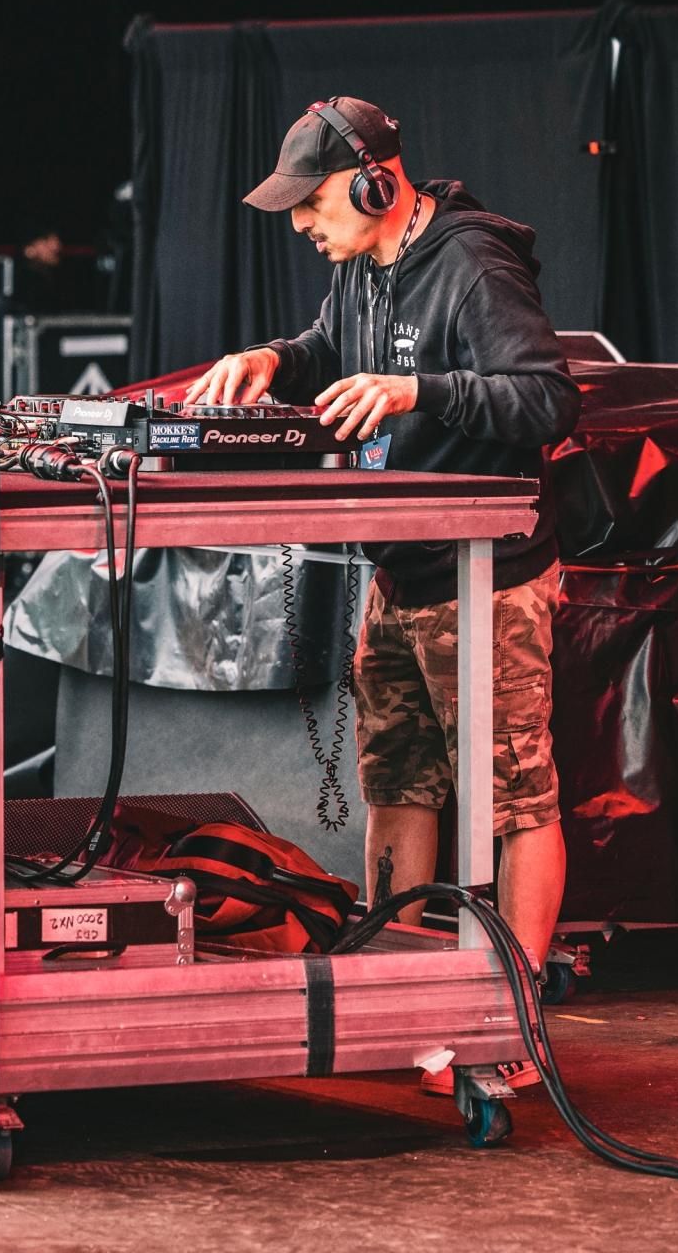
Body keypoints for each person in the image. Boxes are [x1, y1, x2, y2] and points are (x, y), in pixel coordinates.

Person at [184, 96, 581, 1095]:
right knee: (397, 784)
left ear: (373, 183)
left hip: (487, 578)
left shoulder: (473, 263)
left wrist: (421, 391)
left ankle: (509, 1022)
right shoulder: (362, 266)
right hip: (399, 574)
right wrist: (272, 360)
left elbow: (548, 397)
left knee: (515, 798)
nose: (301, 226)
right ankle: (393, 997)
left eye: (311, 204)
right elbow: (327, 351)